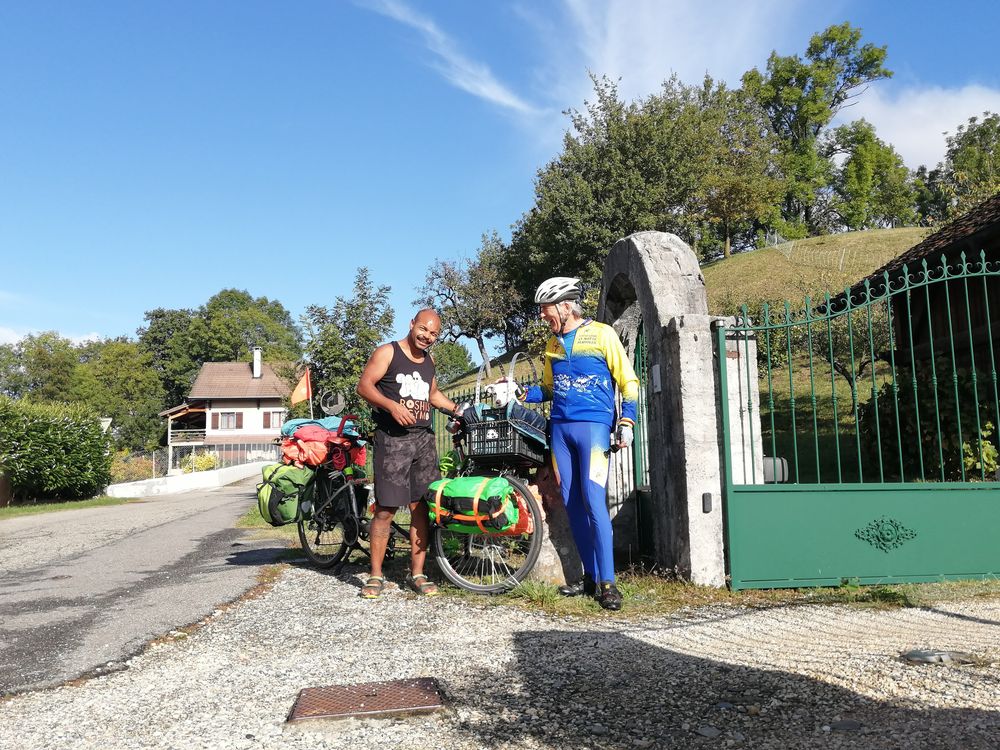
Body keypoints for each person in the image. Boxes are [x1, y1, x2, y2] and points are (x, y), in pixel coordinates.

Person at [516, 277, 639, 611]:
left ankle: (609, 583)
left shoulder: (602, 334)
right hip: (561, 431)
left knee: (594, 501)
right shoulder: (553, 344)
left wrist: (627, 421)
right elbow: (548, 389)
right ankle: (590, 578)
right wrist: (519, 392)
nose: (543, 316)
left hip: (594, 429)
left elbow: (628, 381)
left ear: (565, 306)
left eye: (546, 309)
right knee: (572, 503)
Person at [356, 308, 459, 599]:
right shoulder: (387, 352)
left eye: (434, 333)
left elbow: (432, 394)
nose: (427, 336)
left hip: (423, 442)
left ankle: (418, 573)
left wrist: (457, 409)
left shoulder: (429, 361)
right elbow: (364, 386)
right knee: (386, 509)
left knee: (422, 508)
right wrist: (392, 406)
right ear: (412, 323)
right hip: (393, 441)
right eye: (423, 329)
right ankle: (375, 575)